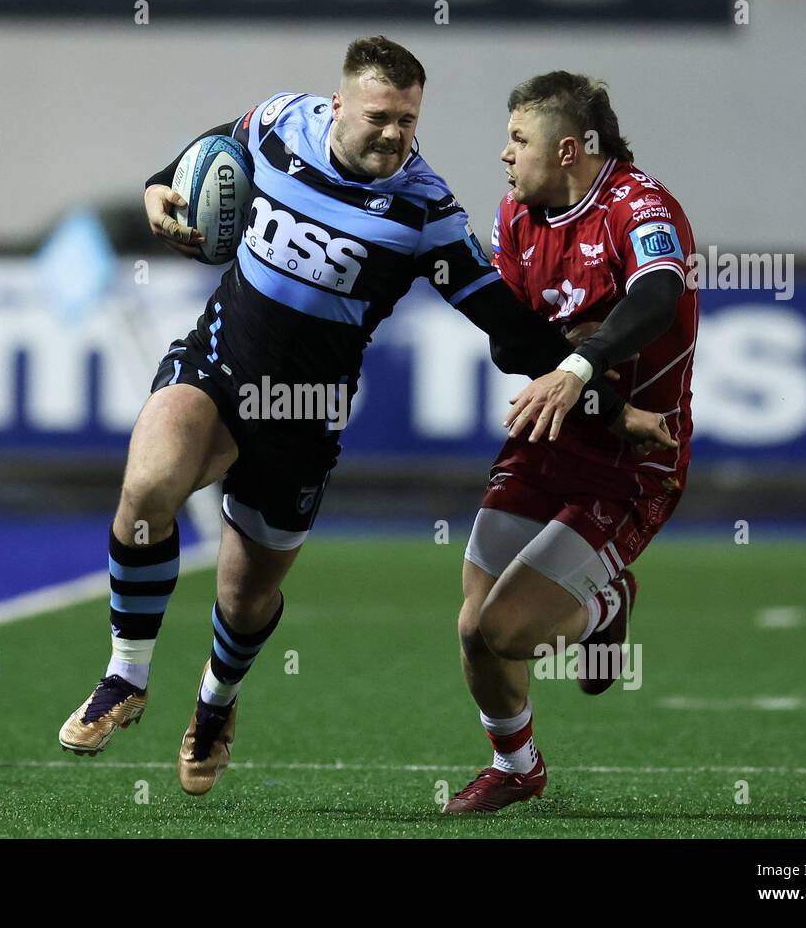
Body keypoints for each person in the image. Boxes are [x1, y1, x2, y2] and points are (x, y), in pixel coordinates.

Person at [58, 39, 674, 797]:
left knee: (244, 599)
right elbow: (223, 140)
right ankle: (125, 676)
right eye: (381, 117)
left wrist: (606, 404)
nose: (394, 134)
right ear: (339, 103)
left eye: (408, 121)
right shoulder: (285, 119)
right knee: (149, 483)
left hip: (304, 417)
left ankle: (215, 707)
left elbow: (508, 329)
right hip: (217, 368)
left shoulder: (426, 211)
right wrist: (161, 182)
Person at [443, 72, 697, 813]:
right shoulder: (516, 216)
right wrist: (589, 382)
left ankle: (606, 600)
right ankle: (517, 764)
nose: (504, 154)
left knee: (508, 631)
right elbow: (508, 341)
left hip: (635, 462)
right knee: (472, 630)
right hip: (553, 437)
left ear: (566, 150)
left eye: (518, 140)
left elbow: (658, 295)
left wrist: (581, 361)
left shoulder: (639, 206)